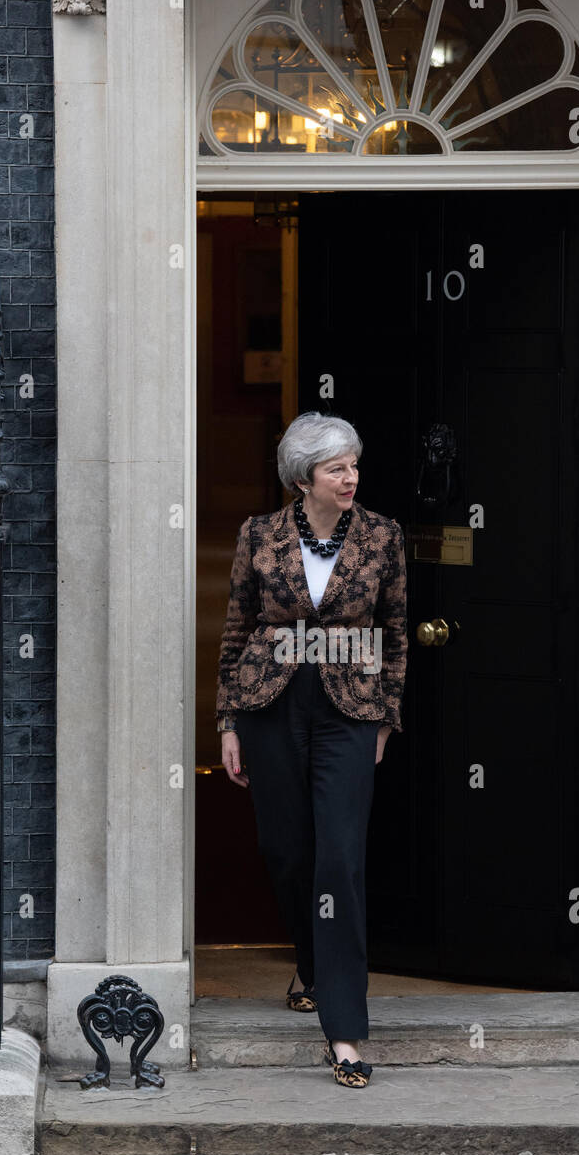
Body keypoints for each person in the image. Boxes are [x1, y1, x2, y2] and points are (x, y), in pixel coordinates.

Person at [215, 411, 408, 1088]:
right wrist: (228, 722)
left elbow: (394, 628)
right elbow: (237, 625)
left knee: (339, 860)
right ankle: (310, 957)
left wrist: (385, 717)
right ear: (305, 477)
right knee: (287, 850)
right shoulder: (258, 535)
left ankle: (345, 1031)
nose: (350, 477)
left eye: (353, 464)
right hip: (270, 704)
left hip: (348, 711)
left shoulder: (383, 536)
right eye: (336, 467)